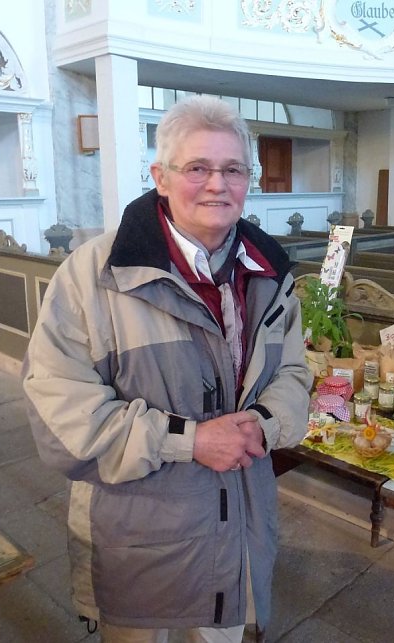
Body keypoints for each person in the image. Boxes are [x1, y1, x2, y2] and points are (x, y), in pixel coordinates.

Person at [23, 95, 312, 643]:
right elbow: (63, 422)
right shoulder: (93, 275)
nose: (216, 185)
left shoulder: (271, 273)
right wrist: (190, 441)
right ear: (160, 176)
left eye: (232, 169)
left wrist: (266, 424)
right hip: (141, 537)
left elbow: (294, 372)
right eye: (197, 168)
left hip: (238, 529)